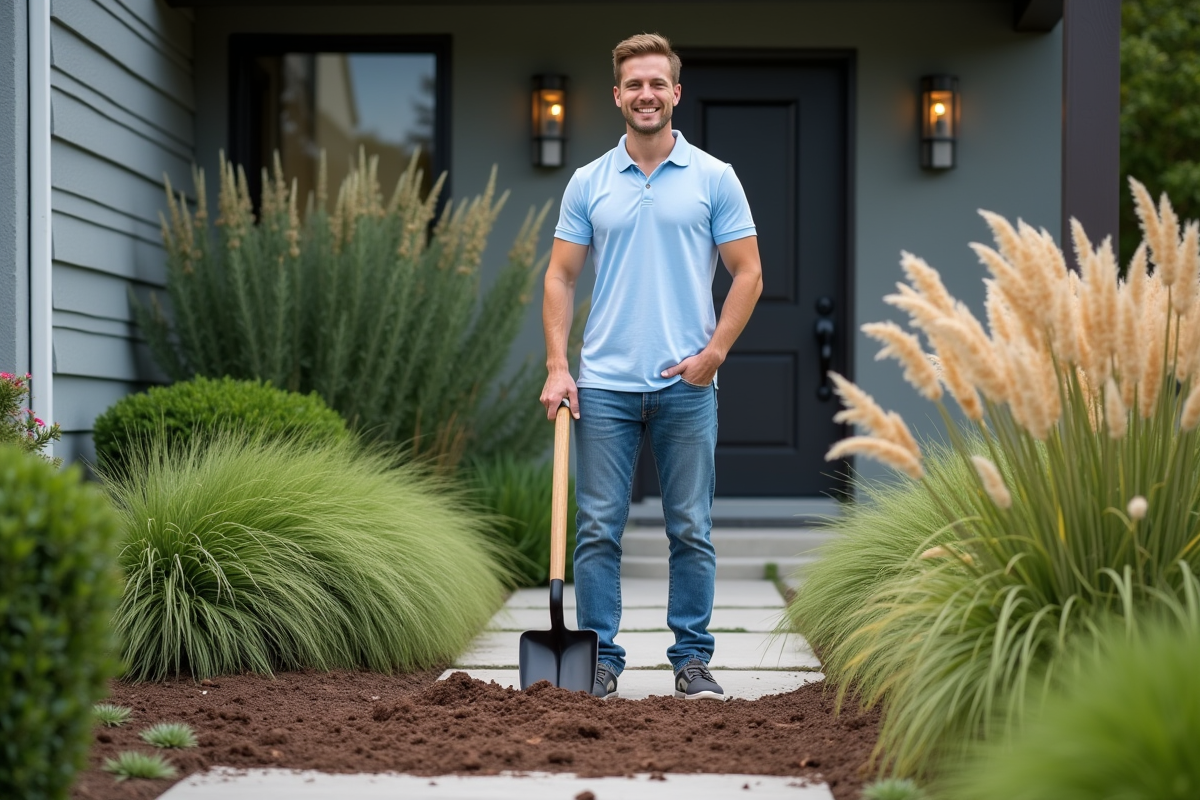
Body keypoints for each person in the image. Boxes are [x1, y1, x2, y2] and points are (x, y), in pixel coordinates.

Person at [539, 32, 763, 701]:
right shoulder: (589, 182)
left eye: (656, 83)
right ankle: (601, 660)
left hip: (685, 386)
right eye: (633, 84)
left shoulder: (715, 178)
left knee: (690, 528)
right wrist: (558, 364)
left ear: (675, 92)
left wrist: (714, 354)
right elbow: (559, 277)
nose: (645, 94)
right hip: (603, 386)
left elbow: (748, 272)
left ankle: (691, 660)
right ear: (617, 95)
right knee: (598, 530)